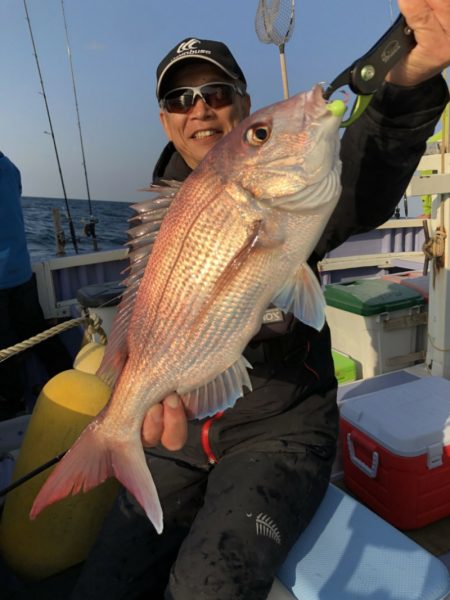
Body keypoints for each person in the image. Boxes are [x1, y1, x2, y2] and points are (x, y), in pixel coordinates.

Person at [71, 1, 450, 598]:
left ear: (243, 105)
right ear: (167, 119)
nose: (201, 108)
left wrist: (408, 82)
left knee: (205, 588)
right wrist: (132, 405)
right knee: (101, 586)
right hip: (182, 439)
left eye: (218, 92)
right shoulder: (158, 220)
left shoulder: (299, 200)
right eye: (180, 99)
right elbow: (148, 324)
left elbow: (364, 173)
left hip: (281, 434)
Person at [0, 152, 72, 420]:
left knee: (4, 343)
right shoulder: (10, 166)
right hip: (20, 270)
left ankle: (12, 402)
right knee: (37, 332)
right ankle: (69, 379)